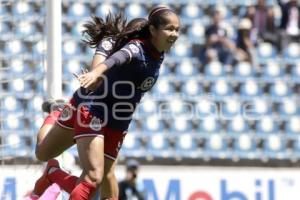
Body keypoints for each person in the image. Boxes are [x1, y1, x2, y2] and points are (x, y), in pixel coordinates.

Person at [32, 5, 180, 200]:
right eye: (170, 29)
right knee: (47, 155)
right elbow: (111, 61)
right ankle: (56, 112)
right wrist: (95, 73)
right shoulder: (126, 46)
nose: (175, 34)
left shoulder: (158, 53)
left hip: (118, 119)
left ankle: (53, 174)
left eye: (177, 30)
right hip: (90, 106)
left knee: (100, 179)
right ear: (151, 31)